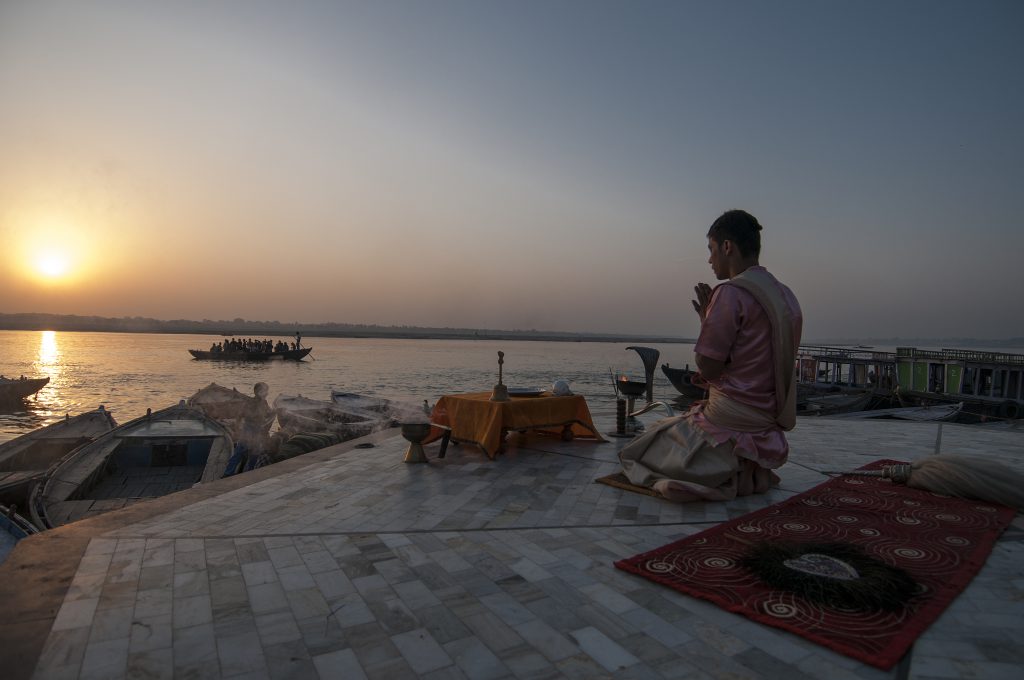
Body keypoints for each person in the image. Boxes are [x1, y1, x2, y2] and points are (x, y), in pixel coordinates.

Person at [618, 209, 802, 502]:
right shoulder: (787, 297)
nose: (709, 259)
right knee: (665, 431)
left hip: (731, 419)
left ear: (727, 246)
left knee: (637, 450)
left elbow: (710, 368)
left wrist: (706, 321)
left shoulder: (731, 294)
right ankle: (746, 465)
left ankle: (722, 464)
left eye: (711, 249)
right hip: (766, 423)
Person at [223, 382, 275, 476]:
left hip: (258, 430)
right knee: (240, 451)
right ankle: (227, 473)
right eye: (265, 391)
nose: (267, 393)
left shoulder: (264, 402)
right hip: (249, 429)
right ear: (258, 392)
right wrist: (238, 429)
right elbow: (240, 415)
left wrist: (274, 412)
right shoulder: (251, 402)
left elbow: (268, 413)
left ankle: (250, 472)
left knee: (255, 453)